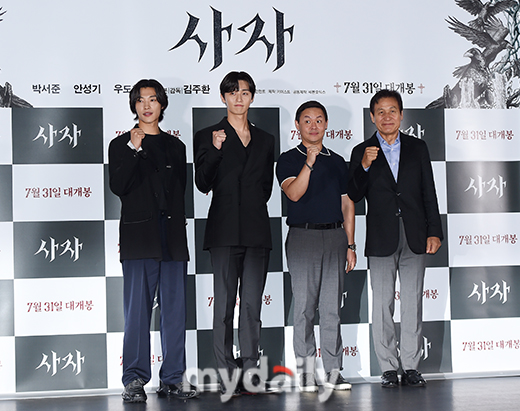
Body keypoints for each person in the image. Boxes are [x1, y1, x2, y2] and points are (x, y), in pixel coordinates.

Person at [109, 79, 198, 402]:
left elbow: (181, 193)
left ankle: (173, 378)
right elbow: (118, 186)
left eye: (153, 99)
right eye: (141, 100)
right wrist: (134, 150)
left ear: (162, 104)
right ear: (134, 106)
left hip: (172, 238)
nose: (147, 105)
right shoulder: (120, 145)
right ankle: (134, 379)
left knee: (175, 311)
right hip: (138, 238)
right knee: (137, 313)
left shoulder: (176, 146)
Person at [348, 89, 443, 388]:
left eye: (392, 111)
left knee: (412, 301)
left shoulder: (418, 148)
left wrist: (434, 231)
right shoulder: (361, 151)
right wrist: (363, 165)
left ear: (401, 115)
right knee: (383, 303)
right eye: (380, 112)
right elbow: (353, 194)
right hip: (380, 236)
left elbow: (429, 190)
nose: (387, 117)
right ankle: (389, 367)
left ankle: (412, 366)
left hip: (415, 234)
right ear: (372, 117)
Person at [194, 71, 275, 396]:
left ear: (252, 97)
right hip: (224, 230)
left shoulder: (266, 139)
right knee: (224, 306)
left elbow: (266, 188)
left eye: (244, 92)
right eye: (232, 92)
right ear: (223, 97)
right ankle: (227, 372)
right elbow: (202, 183)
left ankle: (251, 371)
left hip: (256, 230)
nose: (238, 98)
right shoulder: (208, 135)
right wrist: (214, 150)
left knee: (252, 306)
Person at [276, 100, 356, 392]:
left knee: (332, 308)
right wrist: (308, 163)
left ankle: (334, 371)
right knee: (305, 308)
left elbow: (348, 204)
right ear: (297, 125)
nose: (313, 125)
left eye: (319, 120)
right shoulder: (287, 159)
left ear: (326, 125)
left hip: (335, 237)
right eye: (307, 120)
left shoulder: (337, 160)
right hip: (303, 237)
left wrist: (350, 243)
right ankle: (307, 373)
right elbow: (294, 194)